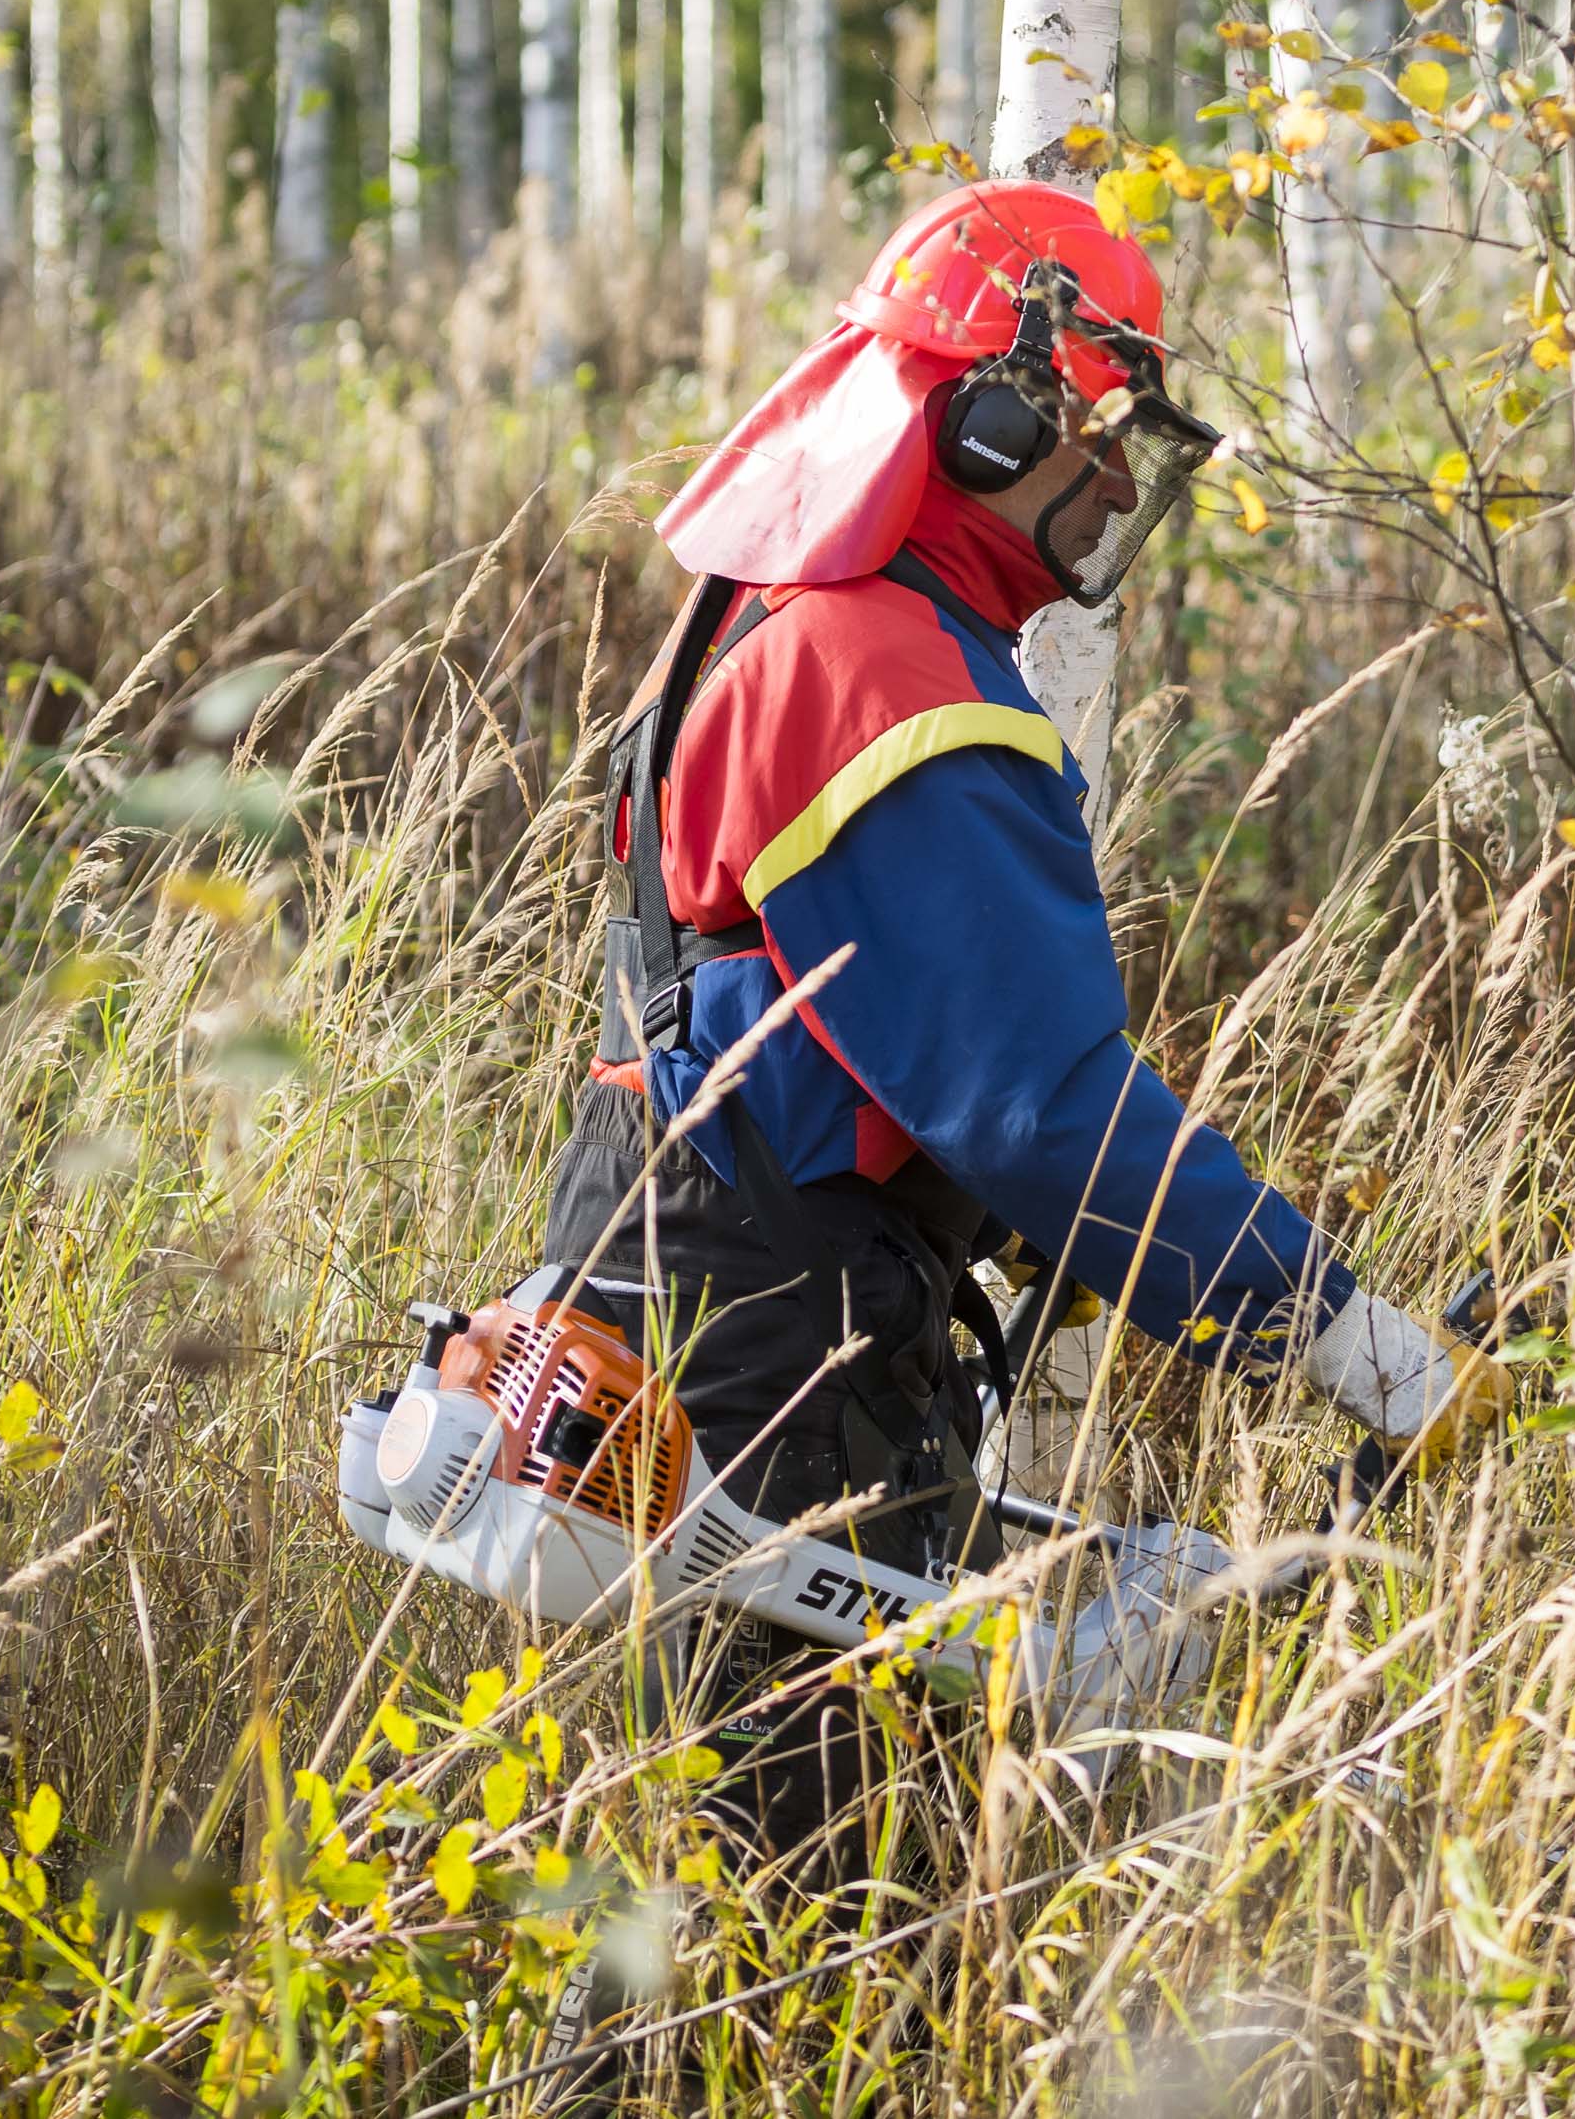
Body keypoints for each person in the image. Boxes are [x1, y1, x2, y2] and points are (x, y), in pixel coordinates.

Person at [534, 179, 1497, 1893]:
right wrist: (1360, 1350)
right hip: (778, 1345)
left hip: (699, 1274)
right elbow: (1047, 1109)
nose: (1125, 481)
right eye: (1097, 430)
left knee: (729, 1873)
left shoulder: (775, 605)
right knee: (824, 1907)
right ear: (985, 418)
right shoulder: (880, 671)